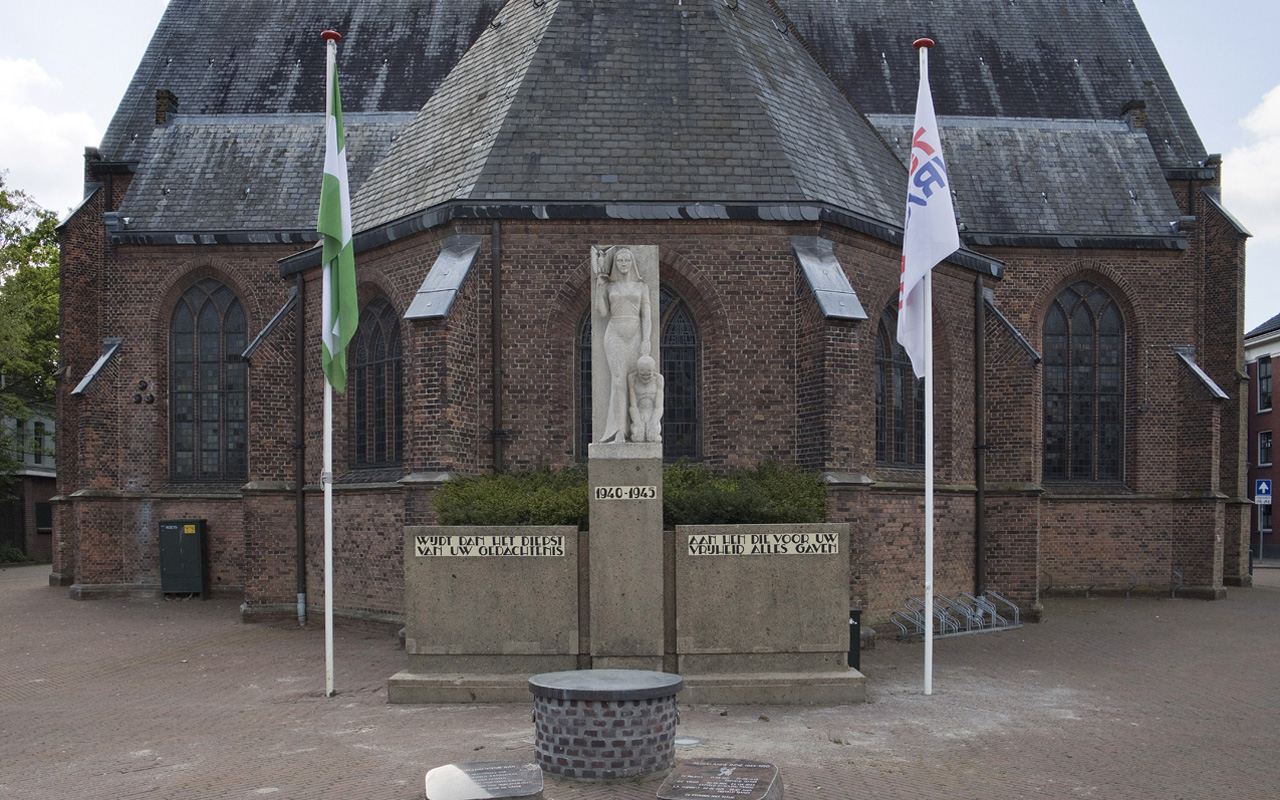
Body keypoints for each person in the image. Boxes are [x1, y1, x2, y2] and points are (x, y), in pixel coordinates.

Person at [593, 246, 652, 443]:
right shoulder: (610, 287)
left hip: (635, 333)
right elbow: (602, 312)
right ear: (615, 264)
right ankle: (618, 430)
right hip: (615, 333)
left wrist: (646, 339)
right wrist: (599, 288)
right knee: (618, 381)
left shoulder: (641, 287)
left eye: (627, 261)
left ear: (632, 263)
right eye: (619, 261)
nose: (623, 264)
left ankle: (637, 429)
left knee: (633, 382)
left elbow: (647, 316)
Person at [628, 355, 664, 443]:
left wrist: (653, 423)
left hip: (652, 414)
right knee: (637, 438)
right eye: (642, 374)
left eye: (648, 374)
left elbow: (659, 407)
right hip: (639, 413)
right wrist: (637, 423)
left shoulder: (658, 379)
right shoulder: (632, 378)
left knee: (653, 438)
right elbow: (633, 406)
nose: (645, 377)